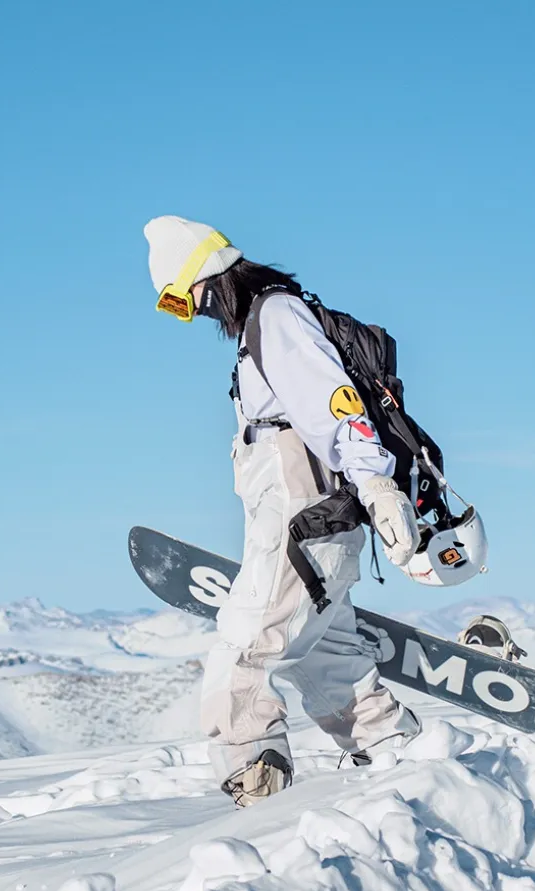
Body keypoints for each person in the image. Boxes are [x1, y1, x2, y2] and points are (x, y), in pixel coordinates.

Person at [144, 216, 422, 806]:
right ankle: (399, 761)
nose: (186, 312)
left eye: (176, 298)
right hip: (315, 528)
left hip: (305, 524)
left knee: (242, 649)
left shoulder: (275, 317)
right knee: (324, 657)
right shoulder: (258, 329)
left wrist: (377, 485)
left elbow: (334, 405)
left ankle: (254, 786)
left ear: (204, 275)